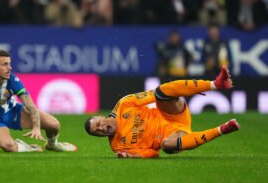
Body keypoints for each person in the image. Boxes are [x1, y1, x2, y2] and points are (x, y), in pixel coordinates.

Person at [84, 66, 239, 158]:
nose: (101, 128)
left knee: (160, 92)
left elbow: (155, 94)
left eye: (98, 124)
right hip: (173, 136)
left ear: (100, 116)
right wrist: (133, 156)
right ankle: (222, 129)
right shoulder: (117, 146)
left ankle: (215, 84)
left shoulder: (124, 104)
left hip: (172, 113)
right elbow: (153, 153)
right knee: (166, 145)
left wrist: (180, 91)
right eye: (97, 132)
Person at [0, 49, 77, 153]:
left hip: (13, 111)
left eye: (9, 64)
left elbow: (31, 106)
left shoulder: (12, 80)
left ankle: (53, 145)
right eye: (5, 64)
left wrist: (36, 127)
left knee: (54, 125)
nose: (10, 68)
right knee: (9, 146)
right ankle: (29, 148)